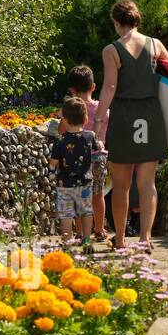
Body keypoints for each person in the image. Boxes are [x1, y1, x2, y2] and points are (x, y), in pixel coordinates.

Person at [94, 0, 168, 251]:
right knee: (147, 183)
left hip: (124, 116)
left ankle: (119, 240)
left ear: (116, 22)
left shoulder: (112, 50)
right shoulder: (155, 44)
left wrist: (97, 121)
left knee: (121, 185)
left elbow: (110, 87)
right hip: (151, 114)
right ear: (136, 19)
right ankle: (145, 238)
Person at [50, 96, 101, 250]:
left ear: (64, 120)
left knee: (66, 214)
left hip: (64, 184)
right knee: (86, 211)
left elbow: (53, 162)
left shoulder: (59, 140)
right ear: (85, 119)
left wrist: (52, 169)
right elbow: (98, 149)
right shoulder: (89, 136)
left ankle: (67, 243)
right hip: (85, 183)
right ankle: (86, 240)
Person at [66, 64, 109, 241]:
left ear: (72, 90)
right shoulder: (104, 110)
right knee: (98, 194)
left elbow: (62, 130)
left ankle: (81, 232)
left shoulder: (70, 108)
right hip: (99, 156)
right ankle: (99, 229)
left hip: (76, 156)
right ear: (93, 87)